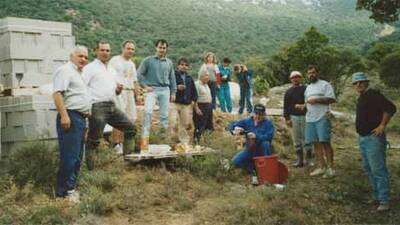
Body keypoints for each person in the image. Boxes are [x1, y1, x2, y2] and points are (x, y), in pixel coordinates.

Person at [83, 41, 137, 170]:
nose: (105, 53)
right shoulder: (89, 68)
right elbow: (83, 87)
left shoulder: (111, 70)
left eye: (107, 50)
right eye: (102, 50)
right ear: (96, 51)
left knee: (131, 128)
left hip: (111, 105)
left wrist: (117, 90)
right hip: (97, 106)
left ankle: (129, 162)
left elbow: (113, 91)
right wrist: (86, 108)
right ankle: (92, 169)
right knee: (94, 140)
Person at [352, 72, 396, 211]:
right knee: (368, 168)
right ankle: (377, 196)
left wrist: (382, 125)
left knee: (378, 169)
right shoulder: (362, 97)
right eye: (355, 83)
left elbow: (390, 108)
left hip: (373, 138)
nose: (358, 84)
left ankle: (384, 200)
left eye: (361, 82)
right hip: (363, 138)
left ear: (367, 82)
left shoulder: (373, 94)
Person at [52, 45, 91, 202]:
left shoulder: (79, 74)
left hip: (80, 118)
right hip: (71, 117)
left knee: (77, 157)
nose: (83, 59)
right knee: (70, 156)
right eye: (80, 56)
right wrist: (64, 116)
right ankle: (63, 193)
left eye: (86, 57)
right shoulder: (65, 70)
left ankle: (70, 189)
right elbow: (57, 93)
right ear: (71, 56)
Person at [137, 39, 176, 149]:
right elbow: (139, 74)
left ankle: (161, 141)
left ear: (166, 49)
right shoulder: (148, 60)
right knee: (148, 112)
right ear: (156, 48)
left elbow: (172, 79)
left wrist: (173, 92)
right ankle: (145, 140)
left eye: (164, 48)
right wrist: (145, 86)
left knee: (164, 116)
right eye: (160, 47)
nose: (162, 49)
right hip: (152, 89)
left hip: (165, 90)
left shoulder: (169, 62)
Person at [298, 65, 336, 178]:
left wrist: (317, 100)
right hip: (310, 119)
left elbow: (332, 99)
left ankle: (330, 168)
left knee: (325, 142)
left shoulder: (325, 84)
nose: (311, 75)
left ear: (317, 73)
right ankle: (321, 166)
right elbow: (307, 103)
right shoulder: (308, 88)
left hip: (322, 117)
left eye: (313, 72)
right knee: (315, 143)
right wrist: (302, 106)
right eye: (309, 73)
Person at [228, 104, 274, 184]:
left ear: (264, 115)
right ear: (253, 113)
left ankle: (265, 170)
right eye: (256, 114)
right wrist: (235, 128)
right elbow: (231, 125)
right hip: (250, 149)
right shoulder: (247, 121)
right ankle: (253, 169)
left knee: (265, 144)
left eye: (260, 114)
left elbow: (269, 136)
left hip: (262, 150)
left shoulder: (268, 123)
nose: (258, 116)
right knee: (235, 162)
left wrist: (256, 136)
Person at [109, 40, 139, 154]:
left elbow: (135, 80)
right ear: (123, 48)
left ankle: (127, 144)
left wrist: (138, 95)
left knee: (131, 119)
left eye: (132, 49)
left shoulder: (131, 63)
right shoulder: (115, 60)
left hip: (130, 92)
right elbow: (110, 76)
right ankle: (117, 144)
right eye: (128, 48)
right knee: (119, 118)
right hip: (119, 92)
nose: (130, 51)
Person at [283, 71, 312, 167]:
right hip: (293, 117)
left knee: (307, 138)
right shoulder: (288, 92)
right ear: (290, 79)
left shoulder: (306, 89)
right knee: (296, 139)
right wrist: (287, 118)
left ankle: (309, 160)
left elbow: (310, 102)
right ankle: (300, 160)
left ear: (301, 78)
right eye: (293, 77)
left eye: (297, 77)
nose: (295, 79)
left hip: (305, 116)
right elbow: (285, 107)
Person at [170, 58, 198, 144]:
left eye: (186, 65)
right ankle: (172, 142)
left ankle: (184, 144)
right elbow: (167, 86)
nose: (184, 67)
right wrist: (176, 88)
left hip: (186, 105)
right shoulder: (173, 76)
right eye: (182, 65)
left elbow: (194, 91)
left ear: (188, 67)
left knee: (184, 125)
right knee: (173, 122)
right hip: (174, 103)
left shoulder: (189, 78)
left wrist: (193, 101)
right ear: (178, 66)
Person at [193, 70, 213, 144]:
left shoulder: (206, 85)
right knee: (199, 125)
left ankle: (207, 141)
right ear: (201, 76)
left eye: (208, 75)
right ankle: (196, 141)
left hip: (208, 106)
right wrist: (196, 108)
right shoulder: (197, 84)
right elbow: (194, 98)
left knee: (209, 126)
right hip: (201, 106)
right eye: (206, 75)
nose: (208, 77)